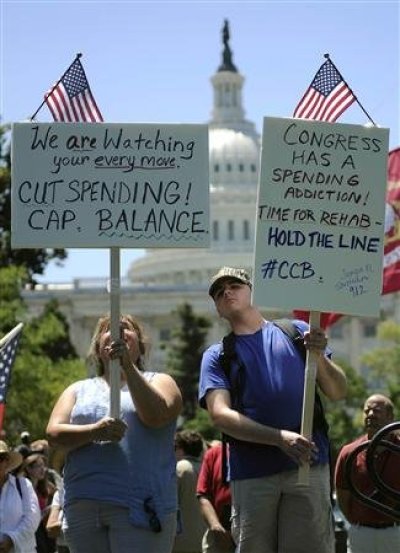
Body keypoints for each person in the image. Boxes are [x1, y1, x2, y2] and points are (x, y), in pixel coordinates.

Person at [198, 267, 347, 553]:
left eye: (235, 285)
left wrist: (320, 358)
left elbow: (338, 391)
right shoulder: (217, 356)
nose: (227, 292)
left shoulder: (297, 332)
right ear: (218, 308)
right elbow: (220, 415)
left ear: (254, 292)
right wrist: (279, 438)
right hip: (251, 475)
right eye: (219, 292)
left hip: (307, 468)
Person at [46, 314, 182, 553]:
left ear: (140, 345)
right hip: (84, 505)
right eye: (108, 329)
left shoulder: (160, 381)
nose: (118, 332)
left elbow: (155, 416)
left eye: (126, 328)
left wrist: (127, 366)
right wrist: (94, 431)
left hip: (140, 505)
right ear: (99, 348)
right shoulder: (78, 389)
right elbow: (54, 434)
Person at [335, 394, 400, 553]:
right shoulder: (349, 452)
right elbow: (343, 494)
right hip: (362, 533)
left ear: (390, 417)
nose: (370, 415)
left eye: (376, 411)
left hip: (396, 531)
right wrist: (359, 523)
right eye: (367, 411)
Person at [0, 440, 41, 553]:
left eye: (0, 459)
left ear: (7, 461)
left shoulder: (23, 485)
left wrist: (12, 539)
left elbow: (33, 518)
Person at [196, 441, 234, 553]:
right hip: (219, 530)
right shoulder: (214, 453)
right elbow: (203, 495)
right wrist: (216, 527)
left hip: (252, 530)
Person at [173, 430, 206, 553]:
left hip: (182, 539)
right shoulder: (203, 467)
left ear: (181, 449)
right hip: (201, 536)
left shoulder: (180, 468)